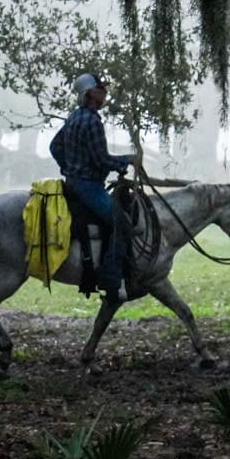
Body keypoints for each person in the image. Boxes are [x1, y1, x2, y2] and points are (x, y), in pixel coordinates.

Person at [49, 72, 138, 300]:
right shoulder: (92, 121)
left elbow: (54, 146)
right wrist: (127, 160)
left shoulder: (74, 117)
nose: (105, 93)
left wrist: (68, 167)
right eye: (101, 89)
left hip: (73, 182)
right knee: (121, 222)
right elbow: (102, 159)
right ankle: (111, 280)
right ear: (90, 93)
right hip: (88, 187)